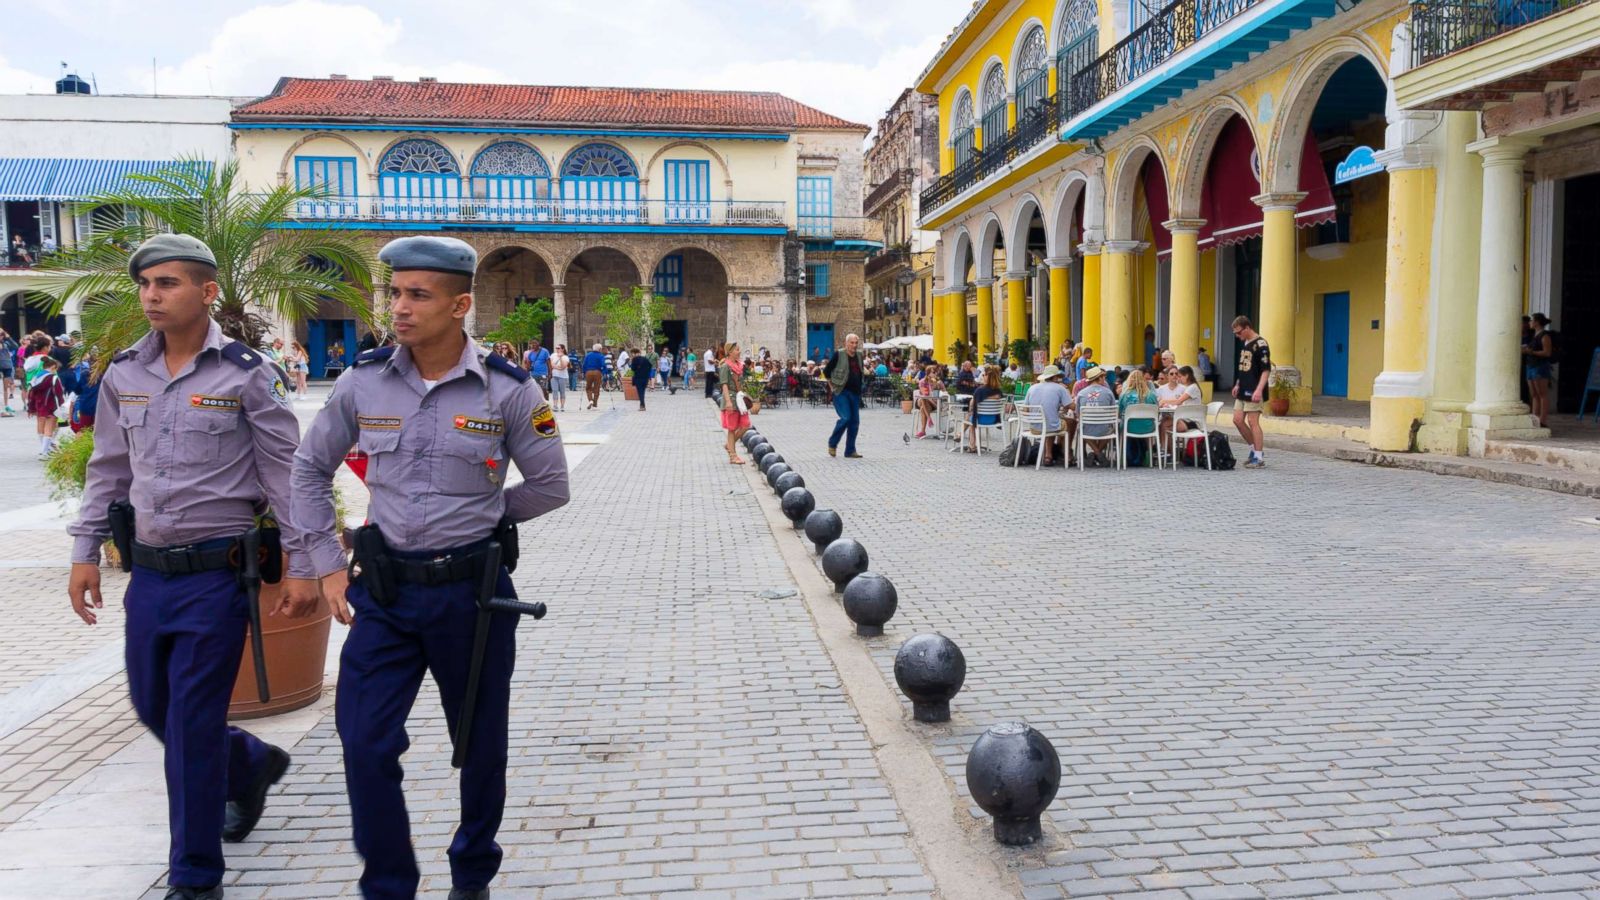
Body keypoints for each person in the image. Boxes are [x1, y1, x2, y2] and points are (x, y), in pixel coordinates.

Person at [290, 235, 569, 900]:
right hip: (383, 595)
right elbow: (308, 466)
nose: (400, 307)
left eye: (418, 294)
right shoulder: (363, 382)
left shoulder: (510, 390)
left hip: (472, 599)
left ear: (460, 304)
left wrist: (482, 517)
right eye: (396, 292)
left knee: (479, 743)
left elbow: (551, 485)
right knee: (363, 740)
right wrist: (325, 562)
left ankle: (472, 871)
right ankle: (389, 884)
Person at [67, 234, 319, 900]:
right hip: (148, 576)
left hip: (216, 574)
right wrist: (84, 550)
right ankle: (251, 762)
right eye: (146, 283)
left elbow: (284, 472)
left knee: (189, 726)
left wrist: (301, 561)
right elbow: (108, 469)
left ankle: (194, 876)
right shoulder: (125, 373)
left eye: (168, 283)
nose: (152, 295)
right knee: (153, 705)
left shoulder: (246, 372)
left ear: (207, 292)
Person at [1230, 315, 1270, 468]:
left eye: (1239, 332)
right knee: (1237, 419)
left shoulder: (1261, 344)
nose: (1237, 336)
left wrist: (1259, 390)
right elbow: (1244, 367)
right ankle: (1253, 449)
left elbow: (1266, 370)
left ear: (1247, 328)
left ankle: (1259, 457)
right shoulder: (1245, 343)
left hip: (1254, 389)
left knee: (1253, 422)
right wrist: (1238, 384)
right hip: (1243, 388)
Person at [823, 333, 866, 458]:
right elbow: (826, 372)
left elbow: (860, 371)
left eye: (856, 343)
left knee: (855, 422)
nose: (854, 345)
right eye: (851, 343)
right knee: (846, 418)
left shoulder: (859, 355)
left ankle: (850, 450)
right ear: (846, 343)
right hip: (841, 392)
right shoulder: (839, 354)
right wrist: (832, 387)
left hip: (855, 393)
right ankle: (833, 443)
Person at [1022, 365, 1073, 466]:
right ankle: (1066, 454)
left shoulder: (1032, 388)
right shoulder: (1060, 388)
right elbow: (1071, 406)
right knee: (1071, 422)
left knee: (1051, 421)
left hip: (1034, 427)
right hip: (1050, 426)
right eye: (1058, 377)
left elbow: (1025, 409)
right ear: (1054, 377)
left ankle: (1048, 455)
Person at [1074, 366, 1117, 466]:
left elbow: (1078, 414)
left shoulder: (1081, 393)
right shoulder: (1108, 392)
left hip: (1087, 429)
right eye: (1103, 377)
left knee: (1082, 428)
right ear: (1100, 378)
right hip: (1104, 430)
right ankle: (1098, 453)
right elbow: (1113, 412)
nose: (1104, 379)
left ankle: (1094, 453)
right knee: (1112, 429)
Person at [1117, 368, 1159, 467]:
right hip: (1148, 427)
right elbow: (1157, 411)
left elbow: (1120, 413)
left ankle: (1122, 457)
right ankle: (1148, 457)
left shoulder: (1124, 395)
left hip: (1129, 427)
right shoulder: (1151, 395)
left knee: (1120, 424)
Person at [718, 341, 751, 463]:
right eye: (737, 349)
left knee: (745, 425)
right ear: (730, 351)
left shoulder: (740, 365)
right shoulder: (725, 366)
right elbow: (724, 385)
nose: (739, 351)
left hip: (740, 400)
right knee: (731, 429)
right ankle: (733, 455)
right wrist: (728, 402)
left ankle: (729, 445)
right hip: (731, 398)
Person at [27, 355, 65, 456]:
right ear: (53, 367)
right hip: (51, 406)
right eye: (56, 368)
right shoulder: (53, 378)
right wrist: (62, 407)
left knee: (41, 426)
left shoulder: (36, 377)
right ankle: (45, 451)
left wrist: (30, 408)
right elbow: (59, 394)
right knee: (50, 428)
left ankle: (45, 449)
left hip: (39, 405)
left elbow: (31, 394)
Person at [963, 365, 1005, 452]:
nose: (982, 376)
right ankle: (961, 436)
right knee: (971, 416)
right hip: (993, 419)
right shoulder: (998, 391)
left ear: (988, 377)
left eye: (984, 375)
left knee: (971, 419)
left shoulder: (980, 391)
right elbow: (998, 398)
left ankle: (972, 446)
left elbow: (972, 405)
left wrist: (972, 404)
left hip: (980, 420)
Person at [1524, 312, 1555, 428]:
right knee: (1534, 394)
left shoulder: (1544, 336)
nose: (1530, 323)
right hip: (1531, 365)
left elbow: (1547, 352)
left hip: (1540, 367)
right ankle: (1535, 417)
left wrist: (1532, 352)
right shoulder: (1535, 335)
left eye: (1532, 320)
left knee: (1542, 394)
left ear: (1537, 322)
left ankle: (1543, 419)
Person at [913, 363, 942, 439]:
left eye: (935, 372)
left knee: (923, 408)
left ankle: (923, 431)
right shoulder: (923, 381)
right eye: (933, 372)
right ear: (928, 373)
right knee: (923, 399)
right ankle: (929, 419)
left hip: (931, 404)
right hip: (921, 401)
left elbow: (945, 393)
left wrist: (938, 385)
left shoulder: (938, 382)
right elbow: (924, 394)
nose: (935, 374)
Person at [581, 342, 606, 408]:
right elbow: (603, 365)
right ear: (600, 349)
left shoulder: (588, 355)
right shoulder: (601, 355)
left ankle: (590, 401)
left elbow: (584, 365)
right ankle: (595, 403)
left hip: (588, 372)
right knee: (597, 387)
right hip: (597, 372)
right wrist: (604, 372)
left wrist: (583, 372)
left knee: (588, 387)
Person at [549, 344, 570, 412]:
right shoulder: (553, 355)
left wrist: (560, 358)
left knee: (562, 391)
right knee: (554, 391)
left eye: (558, 348)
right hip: (554, 375)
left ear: (562, 349)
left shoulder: (565, 357)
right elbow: (551, 364)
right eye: (556, 348)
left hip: (562, 376)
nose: (557, 349)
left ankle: (562, 406)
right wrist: (558, 368)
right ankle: (555, 405)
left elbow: (563, 366)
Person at [0, 328, 16, 416]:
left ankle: (6, 406)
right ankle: (2, 409)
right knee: (1, 388)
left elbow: (15, 346)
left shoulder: (6, 343)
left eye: (1, 335)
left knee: (6, 388)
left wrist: (8, 337)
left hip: (7, 366)